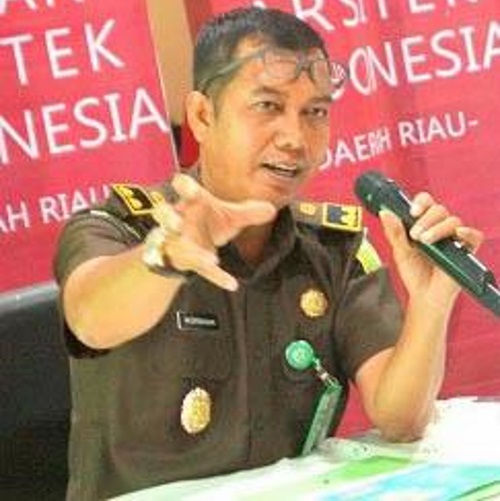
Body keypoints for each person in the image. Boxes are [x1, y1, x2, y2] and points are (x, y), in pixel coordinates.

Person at [54, 6, 483, 500]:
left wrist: (430, 303)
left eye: (315, 112)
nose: (294, 138)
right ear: (202, 115)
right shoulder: (119, 228)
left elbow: (400, 419)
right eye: (267, 106)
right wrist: (164, 258)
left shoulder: (334, 251)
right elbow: (91, 318)